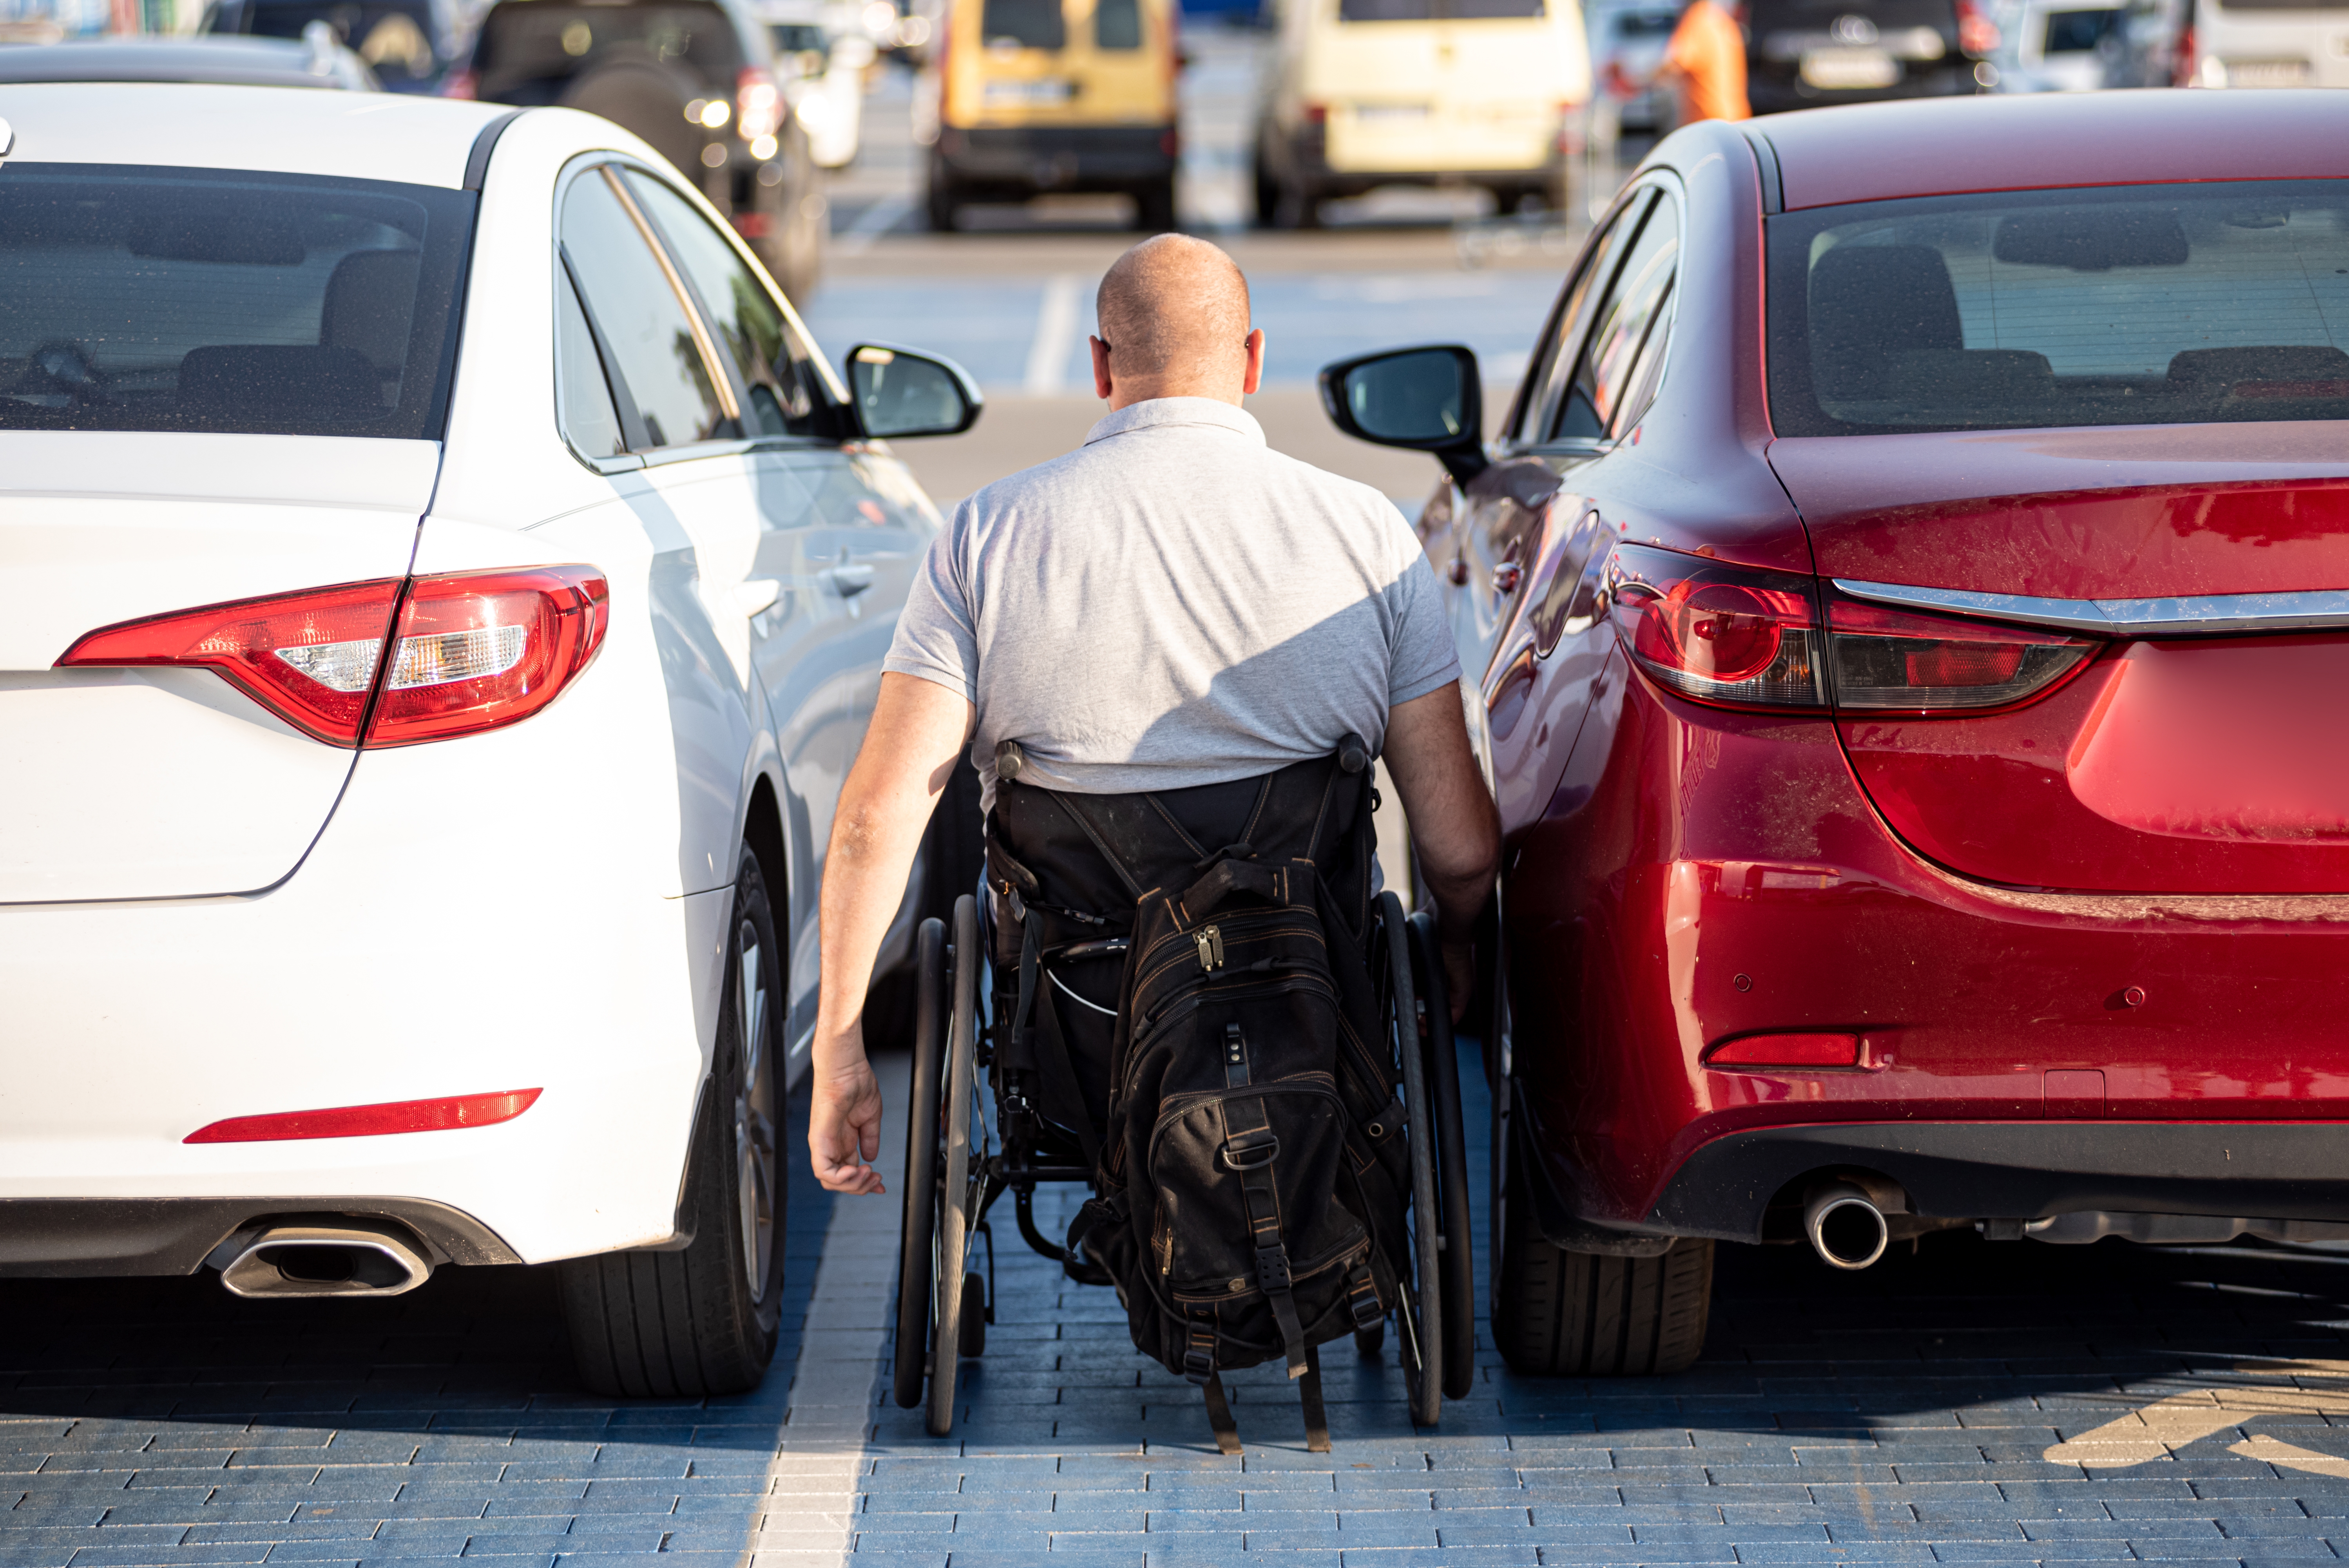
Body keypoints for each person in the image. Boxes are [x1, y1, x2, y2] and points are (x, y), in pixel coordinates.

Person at [806, 234, 1502, 1197]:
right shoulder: (1368, 535)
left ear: (1098, 365)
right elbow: (1461, 849)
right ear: (1254, 359)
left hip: (1078, 1016)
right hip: (1306, 996)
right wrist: (1454, 949)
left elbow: (876, 821)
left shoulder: (984, 535)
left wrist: (840, 1045)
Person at [1609, 0, 1750, 126]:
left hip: (1710, 125)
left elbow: (1671, 65)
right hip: (1735, 120)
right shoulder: (1721, 18)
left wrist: (1633, 80)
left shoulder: (1698, 19)